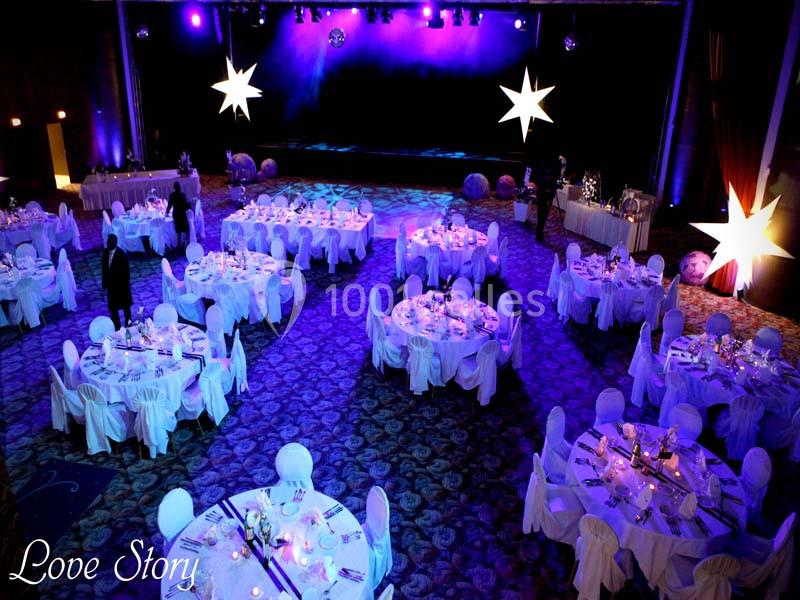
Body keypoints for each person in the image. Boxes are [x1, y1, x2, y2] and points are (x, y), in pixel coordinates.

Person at [102, 234, 132, 329]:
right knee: (113, 310)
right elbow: (104, 269)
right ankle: (117, 328)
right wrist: (105, 284)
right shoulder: (105, 252)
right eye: (107, 243)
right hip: (111, 288)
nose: (108, 245)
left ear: (115, 243)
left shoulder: (122, 255)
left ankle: (129, 326)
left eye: (109, 243)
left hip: (121, 288)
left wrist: (124, 287)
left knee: (126, 309)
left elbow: (127, 274)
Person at [532, 154, 563, 242]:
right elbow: (537, 171)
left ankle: (540, 229)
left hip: (550, 188)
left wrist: (555, 183)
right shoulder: (542, 160)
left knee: (545, 211)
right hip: (542, 187)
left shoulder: (557, 162)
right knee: (541, 210)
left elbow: (557, 174)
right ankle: (539, 231)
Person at [167, 181, 190, 247]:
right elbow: (186, 207)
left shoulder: (171, 195)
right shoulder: (183, 195)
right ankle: (187, 244)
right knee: (187, 230)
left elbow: (169, 205)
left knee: (178, 231)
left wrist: (167, 212)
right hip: (182, 215)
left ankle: (179, 245)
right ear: (179, 188)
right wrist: (190, 204)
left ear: (174, 188)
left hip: (176, 215)